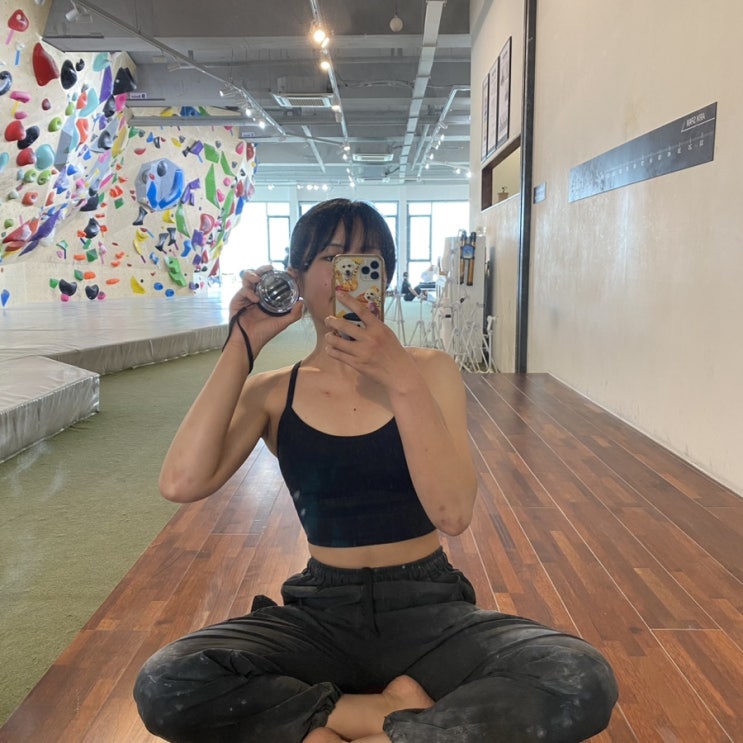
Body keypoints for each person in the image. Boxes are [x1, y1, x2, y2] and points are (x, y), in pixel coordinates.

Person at [133, 198, 618, 742]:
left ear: (384, 278)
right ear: (297, 278)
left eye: (369, 261)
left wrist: (400, 378)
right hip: (322, 614)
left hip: (429, 610)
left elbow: (453, 514)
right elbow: (181, 482)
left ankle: (330, 725)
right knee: (166, 681)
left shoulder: (429, 371)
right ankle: (386, 718)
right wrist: (242, 343)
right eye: (333, 258)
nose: (351, 274)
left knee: (581, 677)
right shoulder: (273, 392)